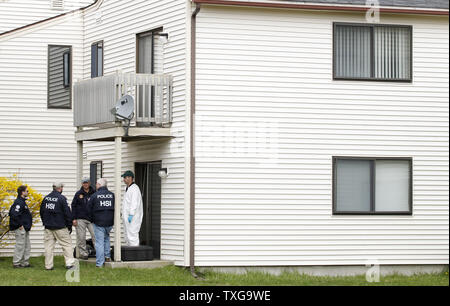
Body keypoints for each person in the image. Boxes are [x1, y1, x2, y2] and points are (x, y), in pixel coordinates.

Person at [39, 182, 76, 270]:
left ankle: (48, 266)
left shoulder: (46, 198)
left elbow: (41, 212)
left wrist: (45, 222)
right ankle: (69, 264)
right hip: (60, 227)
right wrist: (69, 225)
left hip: (48, 227)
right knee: (66, 245)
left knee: (49, 247)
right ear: (60, 188)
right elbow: (67, 213)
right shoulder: (62, 198)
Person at [87, 178, 114, 267]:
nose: (96, 185)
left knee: (99, 243)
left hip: (98, 222)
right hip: (110, 222)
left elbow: (88, 209)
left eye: (96, 184)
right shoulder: (112, 195)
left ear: (99, 185)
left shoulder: (94, 196)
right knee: (106, 239)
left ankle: (99, 263)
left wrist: (91, 220)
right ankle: (107, 257)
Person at [71, 177, 96, 260]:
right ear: (82, 184)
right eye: (84, 183)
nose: (85, 184)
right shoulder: (78, 193)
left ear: (89, 183)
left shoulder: (94, 193)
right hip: (80, 219)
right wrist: (73, 219)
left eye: (87, 182)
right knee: (81, 237)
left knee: (95, 236)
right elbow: (73, 206)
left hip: (92, 219)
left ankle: (98, 252)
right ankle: (84, 253)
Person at [9, 185, 33, 268]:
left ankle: (24, 262)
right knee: (20, 245)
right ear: (22, 192)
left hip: (25, 228)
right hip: (20, 228)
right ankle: (16, 263)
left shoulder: (22, 202)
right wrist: (20, 225)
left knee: (27, 246)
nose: (28, 192)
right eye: (27, 191)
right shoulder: (18, 202)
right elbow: (13, 214)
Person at [121, 170, 143, 246]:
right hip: (127, 216)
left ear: (130, 178)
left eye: (125, 178)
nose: (123, 179)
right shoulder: (127, 188)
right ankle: (129, 254)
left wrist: (131, 214)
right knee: (127, 235)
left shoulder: (134, 189)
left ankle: (135, 254)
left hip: (133, 217)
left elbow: (134, 203)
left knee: (132, 236)